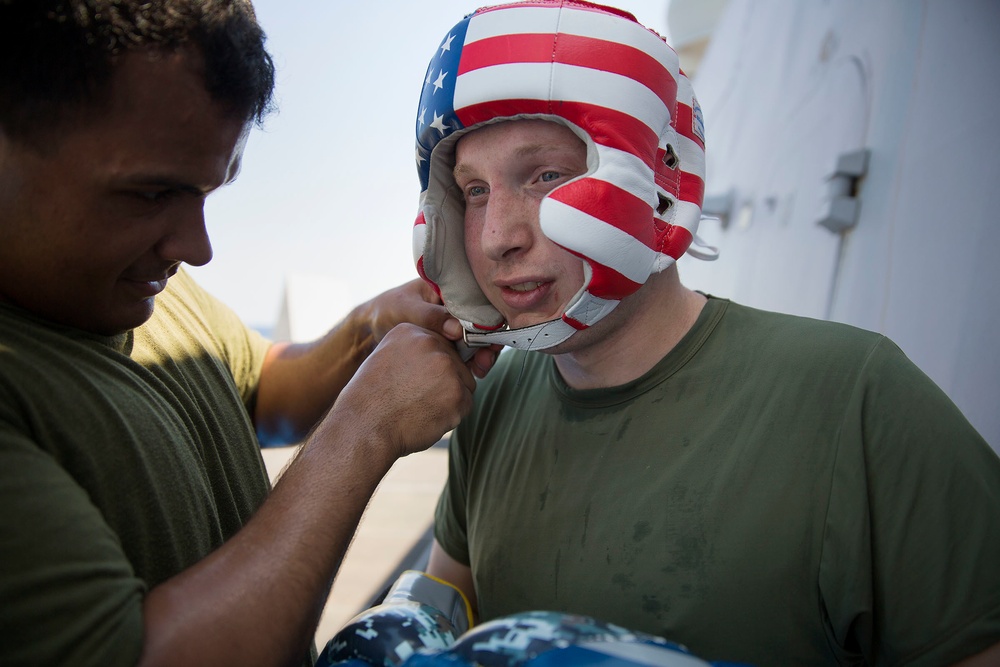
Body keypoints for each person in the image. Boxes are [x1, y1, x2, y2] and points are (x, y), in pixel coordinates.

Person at [409, 1, 1000, 665]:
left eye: (545, 174)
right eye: (475, 190)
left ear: (661, 183)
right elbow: (452, 605)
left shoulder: (859, 400)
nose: (496, 238)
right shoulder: (490, 399)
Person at [0, 1, 498, 666]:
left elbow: (261, 387)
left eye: (208, 192)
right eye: (151, 195)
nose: (196, 246)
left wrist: (366, 331)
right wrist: (365, 427)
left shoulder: (132, 285)